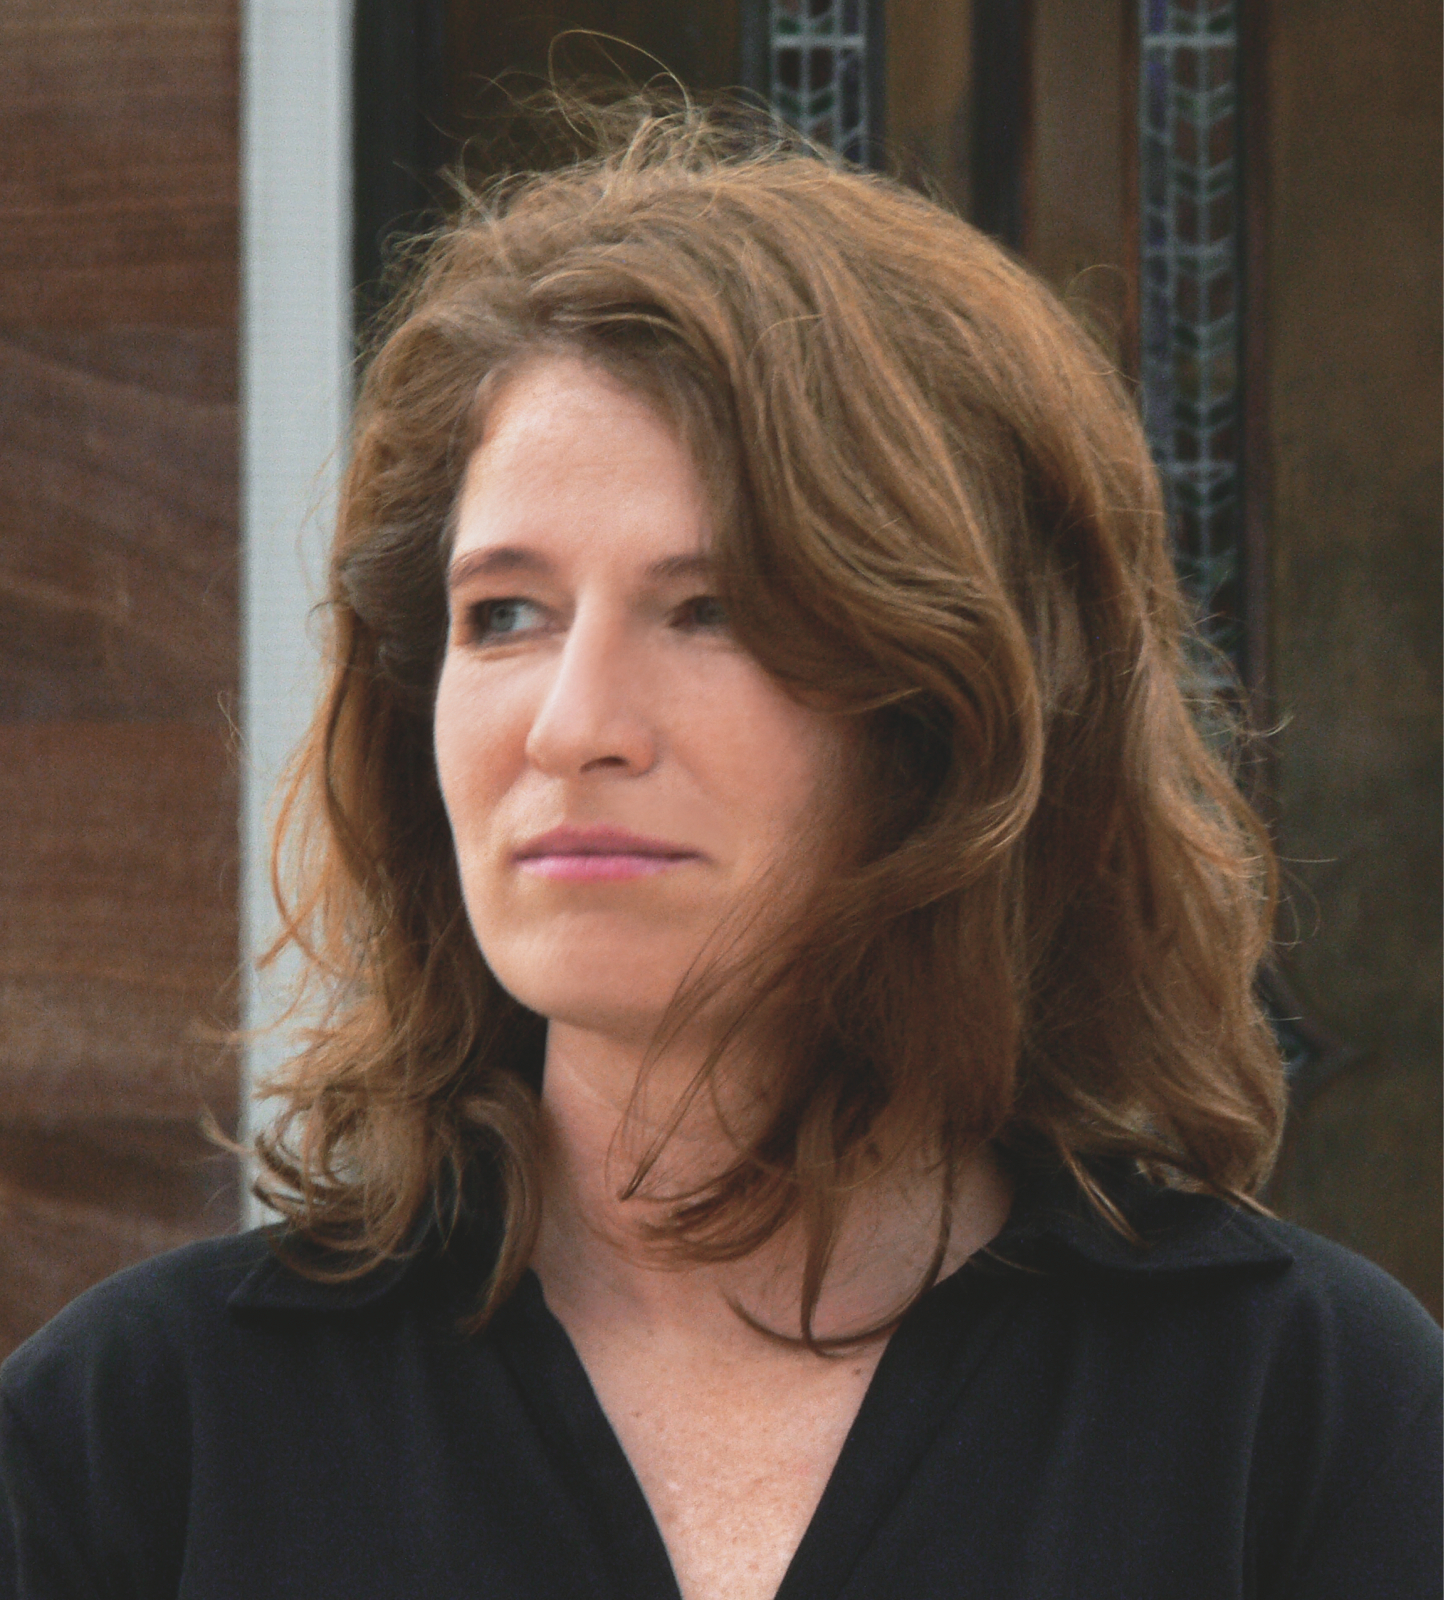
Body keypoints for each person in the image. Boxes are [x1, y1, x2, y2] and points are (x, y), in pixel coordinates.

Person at [1, 103, 1438, 1600]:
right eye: (504, 614)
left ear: (949, 705)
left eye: (712, 610)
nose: (574, 725)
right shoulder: (137, 1441)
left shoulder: (1303, 1420)